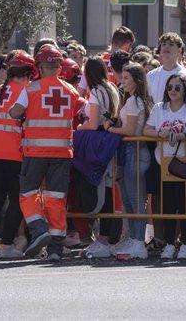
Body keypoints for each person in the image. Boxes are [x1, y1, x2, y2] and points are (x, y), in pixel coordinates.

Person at [9, 45, 83, 261]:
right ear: (59, 67)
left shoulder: (31, 89)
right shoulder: (71, 91)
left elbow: (15, 112)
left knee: (28, 193)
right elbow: (81, 109)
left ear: (39, 66)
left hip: (36, 152)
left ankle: (39, 229)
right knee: (57, 198)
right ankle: (55, 249)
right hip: (62, 153)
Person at [0, 52, 36, 259]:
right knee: (17, 201)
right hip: (15, 155)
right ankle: (6, 244)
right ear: (27, 73)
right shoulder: (26, 92)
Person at [143, 74, 186, 260]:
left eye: (177, 87)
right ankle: (170, 243)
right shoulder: (159, 108)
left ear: (185, 89)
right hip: (166, 164)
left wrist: (183, 135)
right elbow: (146, 130)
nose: (173, 90)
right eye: (170, 87)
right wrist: (159, 133)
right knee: (168, 206)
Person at [104, 62, 153, 259]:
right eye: (122, 78)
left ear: (136, 80)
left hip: (136, 151)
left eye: (126, 78)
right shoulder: (134, 100)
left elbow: (131, 130)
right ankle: (134, 238)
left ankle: (139, 241)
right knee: (129, 200)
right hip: (132, 151)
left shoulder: (134, 101)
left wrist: (110, 129)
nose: (122, 82)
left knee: (136, 199)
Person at [77, 56, 121, 259]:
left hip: (98, 145)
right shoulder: (111, 88)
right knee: (108, 190)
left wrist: (79, 127)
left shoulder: (96, 92)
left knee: (102, 191)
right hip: (110, 143)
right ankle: (104, 240)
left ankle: (103, 241)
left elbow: (93, 124)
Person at [147, 32, 186, 105]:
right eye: (164, 44)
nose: (166, 47)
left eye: (171, 44)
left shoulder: (185, 76)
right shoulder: (151, 75)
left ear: (179, 50)